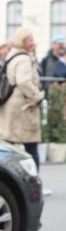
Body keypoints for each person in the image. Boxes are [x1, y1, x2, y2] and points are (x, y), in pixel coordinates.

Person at [0, 28, 44, 169]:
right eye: (30, 40)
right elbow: (24, 81)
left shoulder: (12, 55)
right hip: (23, 107)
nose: (33, 43)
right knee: (31, 147)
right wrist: (37, 96)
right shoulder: (24, 59)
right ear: (23, 41)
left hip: (11, 106)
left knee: (9, 145)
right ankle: (33, 183)